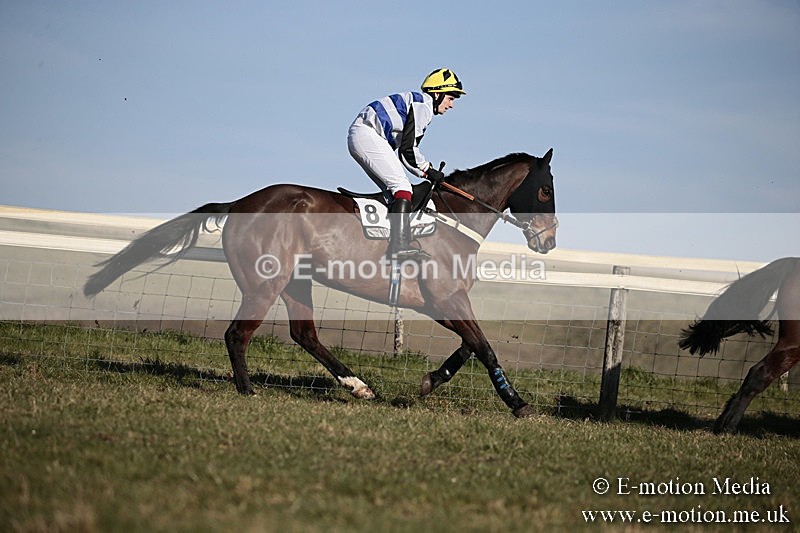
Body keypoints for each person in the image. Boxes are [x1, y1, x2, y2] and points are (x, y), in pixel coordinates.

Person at [348, 68, 465, 260]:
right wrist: (428, 170)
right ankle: (399, 246)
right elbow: (408, 151)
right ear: (437, 93)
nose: (452, 105)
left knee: (394, 192)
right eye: (451, 98)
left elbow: (406, 152)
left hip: (365, 135)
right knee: (402, 187)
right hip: (368, 134)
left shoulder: (419, 104)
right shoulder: (423, 106)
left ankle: (382, 244)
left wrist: (426, 172)